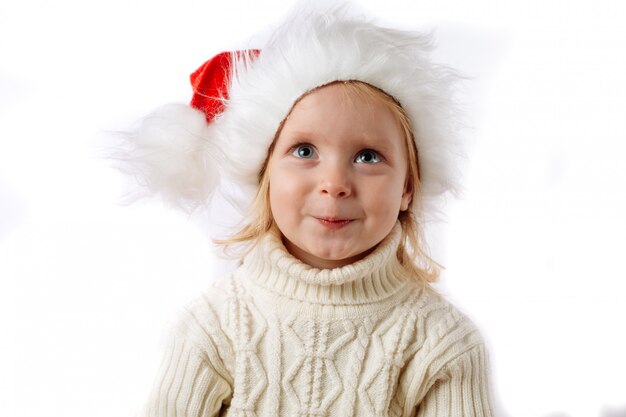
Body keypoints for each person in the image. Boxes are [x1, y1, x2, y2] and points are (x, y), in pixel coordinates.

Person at [121, 2, 495, 416]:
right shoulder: (215, 326)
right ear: (266, 176)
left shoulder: (441, 343)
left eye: (368, 156)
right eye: (304, 150)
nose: (334, 183)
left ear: (407, 187)